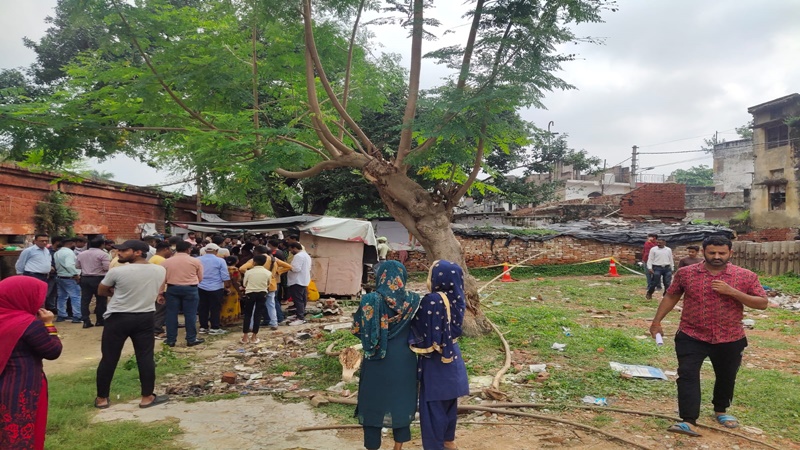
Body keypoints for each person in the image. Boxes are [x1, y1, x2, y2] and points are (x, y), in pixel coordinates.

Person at [649, 235, 768, 437]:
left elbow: (762, 303)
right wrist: (656, 322)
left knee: (726, 376)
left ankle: (721, 410)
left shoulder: (745, 276)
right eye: (712, 252)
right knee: (687, 374)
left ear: (731, 253)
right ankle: (688, 420)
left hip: (730, 337)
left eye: (722, 253)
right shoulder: (686, 273)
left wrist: (733, 292)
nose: (717, 256)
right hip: (691, 334)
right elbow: (671, 295)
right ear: (703, 252)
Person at [352, 261, 421, 450]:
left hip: (376, 359)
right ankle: (398, 447)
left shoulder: (369, 300)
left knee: (372, 401)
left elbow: (357, 329)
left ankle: (372, 445)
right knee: (401, 400)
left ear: (380, 277)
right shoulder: (413, 300)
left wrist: (376, 334)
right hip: (404, 360)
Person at [95, 240, 169, 410]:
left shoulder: (117, 271)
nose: (119, 253)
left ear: (138, 252)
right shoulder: (160, 270)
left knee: (109, 358)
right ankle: (147, 397)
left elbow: (101, 291)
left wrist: (116, 292)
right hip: (145, 316)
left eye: (124, 250)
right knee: (145, 357)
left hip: (118, 317)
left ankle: (102, 398)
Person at [409, 260, 470, 450]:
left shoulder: (433, 300)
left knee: (432, 408)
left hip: (436, 361)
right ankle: (448, 441)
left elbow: (421, 330)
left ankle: (435, 446)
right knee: (449, 404)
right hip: (453, 358)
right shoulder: (457, 297)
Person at [0, 276, 63, 450]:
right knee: (22, 435)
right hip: (23, 387)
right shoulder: (28, 324)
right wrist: (49, 325)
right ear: (22, 297)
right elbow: (53, 351)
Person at [160, 241, 205, 347]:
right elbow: (200, 278)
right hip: (190, 289)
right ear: (188, 249)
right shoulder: (195, 261)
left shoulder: (166, 262)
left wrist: (160, 293)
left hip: (172, 288)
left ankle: (171, 340)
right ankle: (191, 339)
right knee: (190, 314)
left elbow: (162, 279)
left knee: (171, 314)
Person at [76, 236, 111, 328]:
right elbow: (106, 267)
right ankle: (100, 320)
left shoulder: (82, 254)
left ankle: (86, 321)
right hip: (99, 278)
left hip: (85, 278)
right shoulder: (103, 254)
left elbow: (77, 266)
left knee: (85, 300)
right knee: (101, 300)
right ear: (102, 244)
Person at [197, 243, 231, 335]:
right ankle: (214, 327)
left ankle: (203, 327)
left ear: (205, 250)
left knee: (202, 307)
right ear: (216, 251)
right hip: (216, 287)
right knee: (215, 308)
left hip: (200, 286)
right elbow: (225, 275)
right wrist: (227, 286)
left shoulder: (198, 259)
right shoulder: (220, 261)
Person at [240, 254, 271, 344]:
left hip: (250, 293)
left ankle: (245, 337)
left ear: (254, 262)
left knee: (248, 314)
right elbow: (268, 284)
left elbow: (245, 284)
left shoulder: (248, 272)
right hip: (262, 293)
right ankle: (254, 337)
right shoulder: (268, 273)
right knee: (258, 314)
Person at [54, 238, 82, 323]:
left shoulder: (57, 252)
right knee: (75, 296)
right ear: (71, 243)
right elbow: (69, 265)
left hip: (60, 276)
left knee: (62, 297)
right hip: (70, 277)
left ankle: (61, 315)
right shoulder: (69, 252)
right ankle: (77, 316)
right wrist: (75, 274)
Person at [149, 242, 173, 339]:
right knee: (160, 310)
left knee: (157, 310)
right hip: (160, 288)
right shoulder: (161, 260)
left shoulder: (153, 258)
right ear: (165, 249)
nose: (171, 252)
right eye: (170, 250)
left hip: (154, 287)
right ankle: (157, 331)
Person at [287, 242, 311, 326]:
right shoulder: (306, 255)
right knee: (302, 299)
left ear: (294, 248)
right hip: (303, 280)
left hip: (297, 280)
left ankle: (300, 318)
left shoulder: (298, 256)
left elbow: (296, 269)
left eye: (291, 250)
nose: (291, 252)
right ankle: (299, 315)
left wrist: (287, 267)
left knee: (298, 300)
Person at [220, 256, 242, 327]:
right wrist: (239, 291)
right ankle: (229, 320)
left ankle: (222, 319)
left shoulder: (223, 268)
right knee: (231, 304)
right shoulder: (235, 270)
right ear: (236, 261)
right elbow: (235, 281)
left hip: (223, 287)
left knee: (224, 304)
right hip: (232, 289)